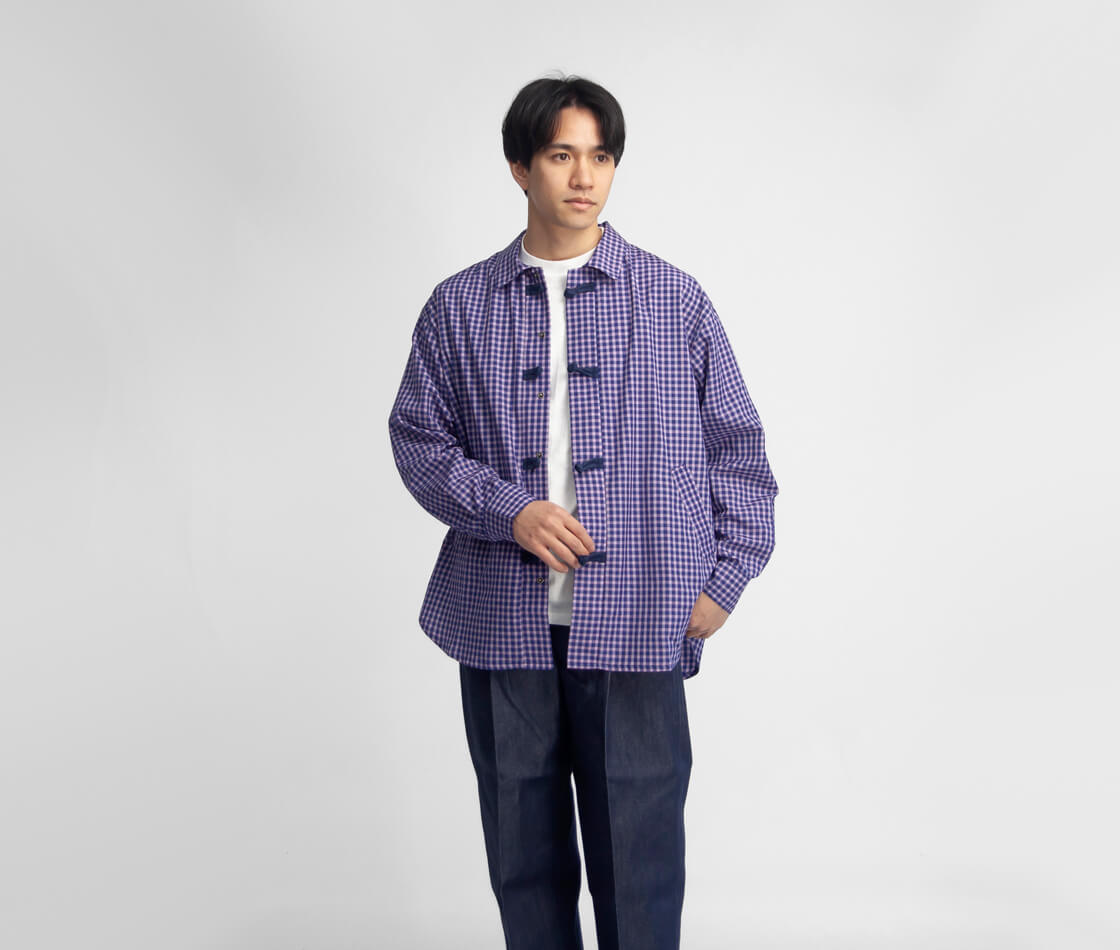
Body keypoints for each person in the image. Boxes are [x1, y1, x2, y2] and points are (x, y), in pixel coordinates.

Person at [388, 74, 778, 950]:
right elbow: (418, 440)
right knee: (523, 861)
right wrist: (510, 511)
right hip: (501, 620)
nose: (583, 177)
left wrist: (723, 581)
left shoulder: (673, 299)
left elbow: (740, 453)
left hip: (641, 615)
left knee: (641, 864)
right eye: (562, 155)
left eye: (600, 157)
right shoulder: (460, 306)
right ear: (519, 167)